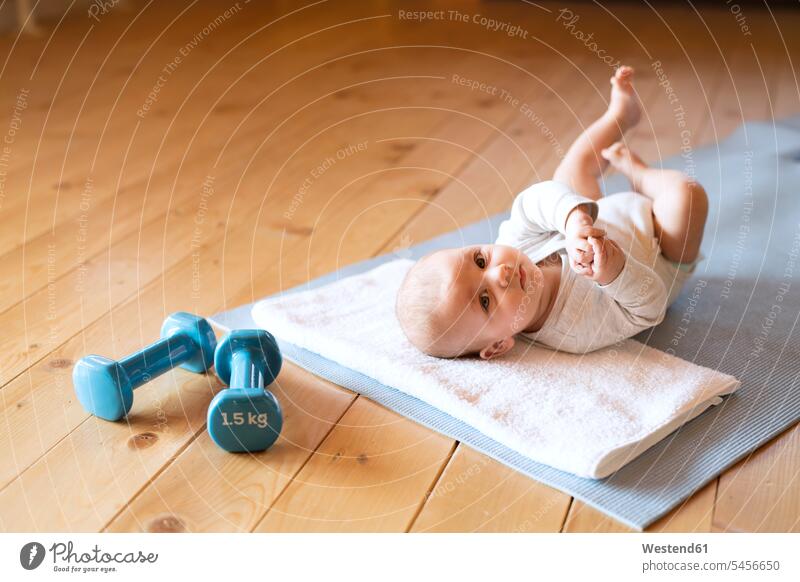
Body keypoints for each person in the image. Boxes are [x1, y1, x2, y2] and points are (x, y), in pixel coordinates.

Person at [395, 66, 708, 359]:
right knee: (687, 197)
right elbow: (650, 310)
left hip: (601, 215)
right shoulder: (574, 330)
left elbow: (534, 201)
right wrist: (614, 271)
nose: (499, 273)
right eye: (485, 300)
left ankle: (620, 116)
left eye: (480, 260)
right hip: (660, 247)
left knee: (568, 173)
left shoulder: (516, 245)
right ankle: (642, 176)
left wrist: (573, 222)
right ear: (499, 345)